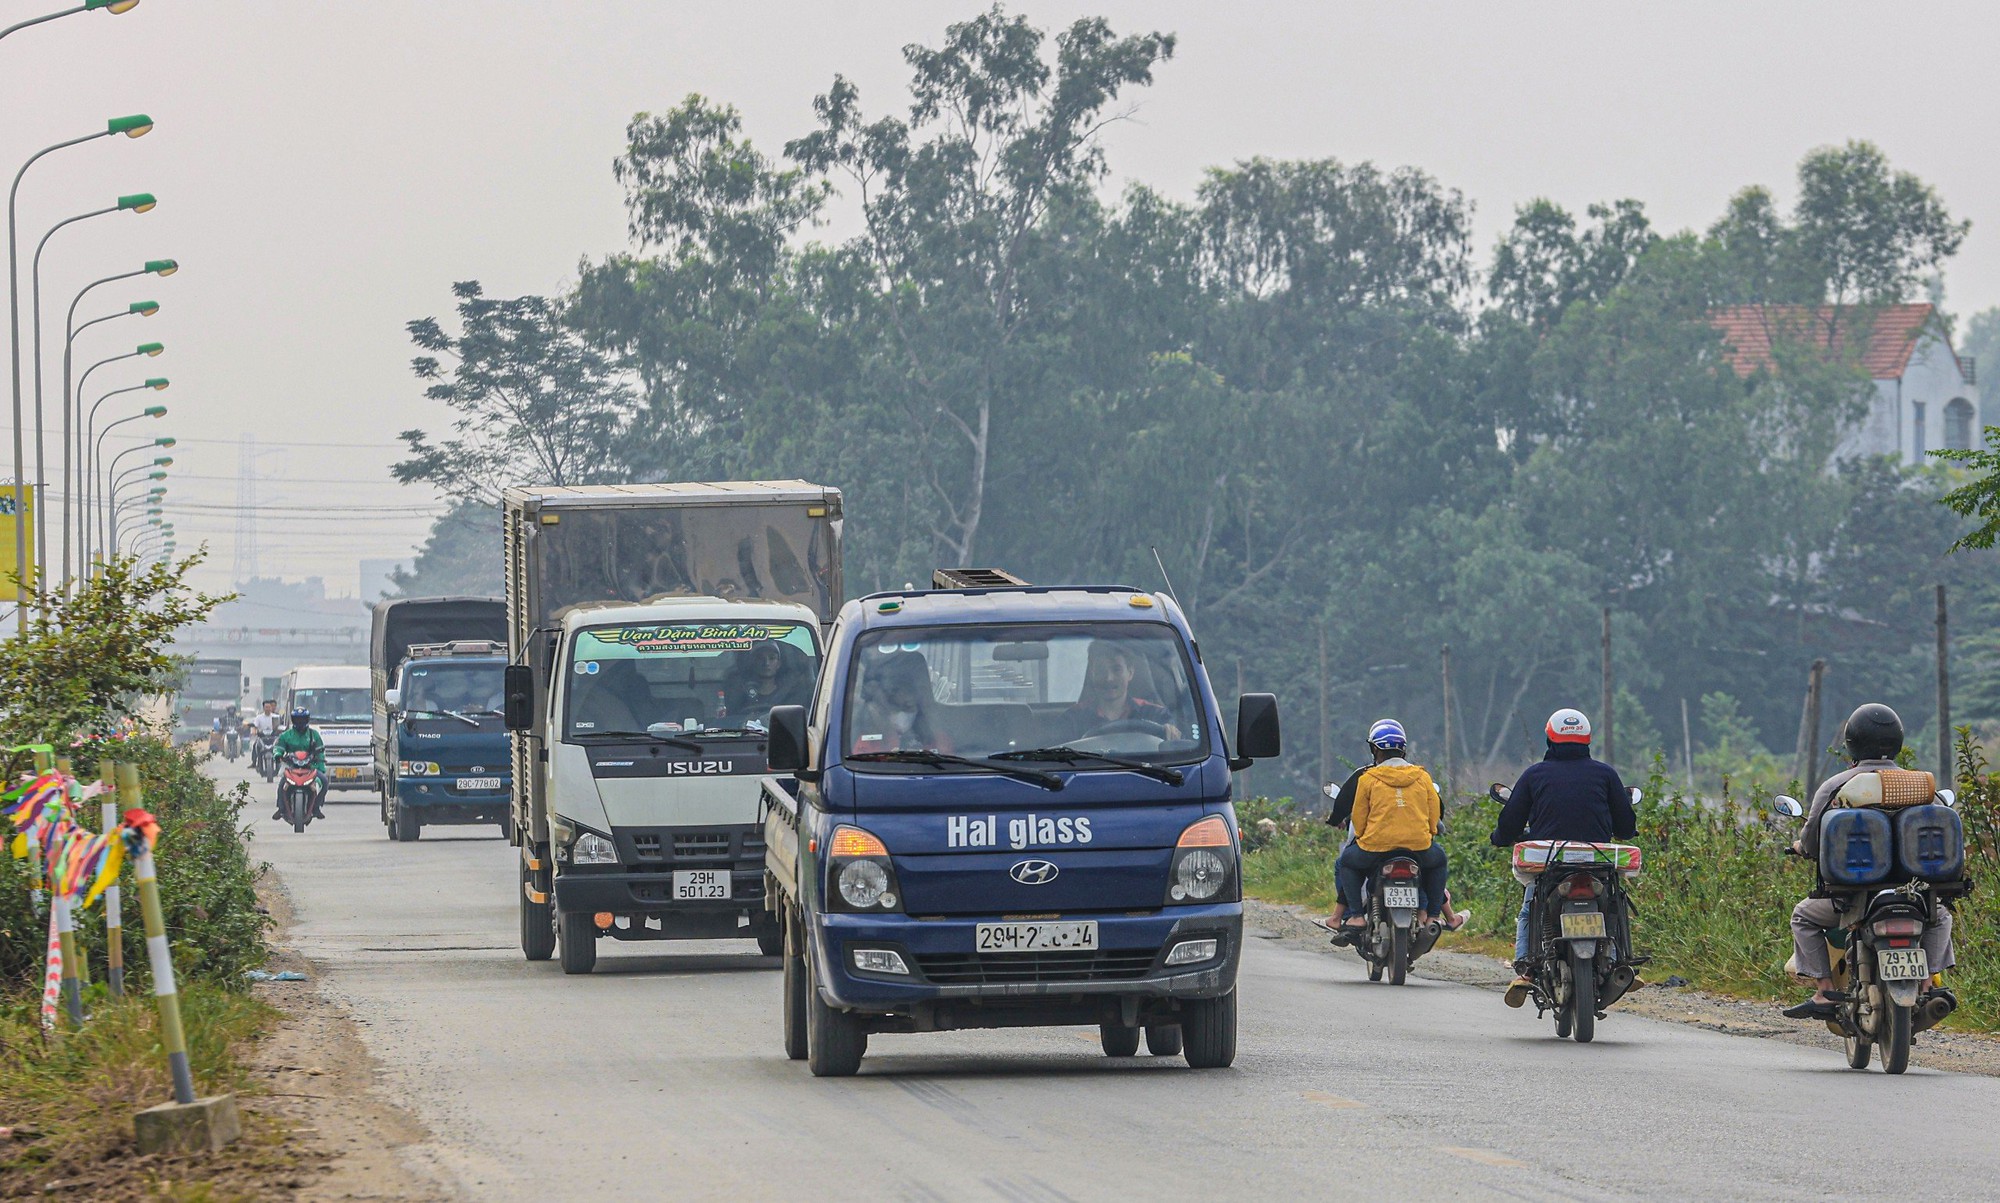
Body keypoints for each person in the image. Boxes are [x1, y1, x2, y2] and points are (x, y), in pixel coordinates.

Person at [1782, 703, 1956, 1022]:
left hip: (1851, 896)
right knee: (1940, 917)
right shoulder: (1921, 785)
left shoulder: (1836, 785)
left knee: (1803, 916)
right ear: (1898, 742)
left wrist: (1800, 847)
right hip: (1914, 893)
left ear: (1852, 742)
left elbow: (1811, 840)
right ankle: (1929, 983)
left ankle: (1823, 991)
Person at [1490, 707, 1637, 1008]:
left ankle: (1525, 969)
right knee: (1612, 903)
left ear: (1550, 740)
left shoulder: (1534, 775)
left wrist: (1500, 838)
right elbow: (1626, 826)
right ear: (1587, 740)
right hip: (1598, 864)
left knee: (1531, 907)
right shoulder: (1606, 774)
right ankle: (1619, 960)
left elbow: (1510, 823)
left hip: (1551, 862)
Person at [1327, 720, 1450, 938]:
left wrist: (1365, 837)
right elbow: (1435, 815)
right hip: (1419, 848)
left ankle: (1355, 916)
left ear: (1374, 749)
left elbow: (1359, 818)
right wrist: (1428, 833)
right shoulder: (1422, 777)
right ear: (1403, 749)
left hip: (1374, 848)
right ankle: (1432, 916)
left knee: (1346, 862)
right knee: (1439, 860)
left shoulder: (1367, 778)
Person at [1062, 640, 1179, 741]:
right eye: (1101, 670)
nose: (1109, 678)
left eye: (1116, 669)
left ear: (1130, 673)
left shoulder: (1157, 716)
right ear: (1092, 674)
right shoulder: (1071, 720)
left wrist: (1172, 733)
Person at [851, 651, 950, 754]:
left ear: (919, 708)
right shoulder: (868, 741)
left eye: (908, 706)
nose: (901, 713)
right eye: (896, 707)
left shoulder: (937, 740)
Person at [726, 639, 810, 717]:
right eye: (760, 658)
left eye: (772, 658)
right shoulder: (739, 695)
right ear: (752, 663)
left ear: (778, 664)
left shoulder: (791, 695)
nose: (766, 663)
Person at [273, 706, 327, 821]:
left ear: (307, 720)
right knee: (282, 784)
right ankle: (281, 808)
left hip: (310, 767)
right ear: (293, 720)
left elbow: (320, 752)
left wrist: (321, 768)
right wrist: (277, 755)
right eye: (297, 719)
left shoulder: (314, 735)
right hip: (292, 767)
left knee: (324, 781)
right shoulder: (286, 735)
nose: (300, 722)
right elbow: (279, 747)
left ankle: (316, 807)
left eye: (302, 719)